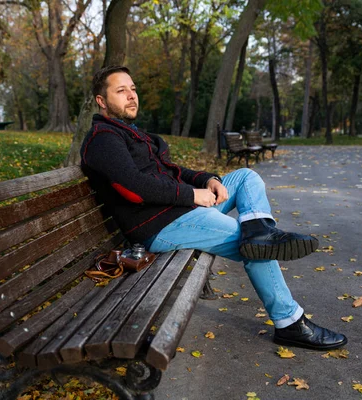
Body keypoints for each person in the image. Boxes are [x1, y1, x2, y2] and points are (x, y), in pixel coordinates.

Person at [80, 65, 347, 350]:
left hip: (179, 213)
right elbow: (134, 189)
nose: (131, 96)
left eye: (133, 89)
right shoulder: (104, 139)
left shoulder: (130, 133)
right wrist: (192, 195)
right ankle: (289, 323)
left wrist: (207, 179)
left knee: (245, 178)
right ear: (102, 101)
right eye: (121, 91)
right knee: (252, 243)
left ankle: (261, 230)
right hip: (157, 226)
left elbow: (172, 170)